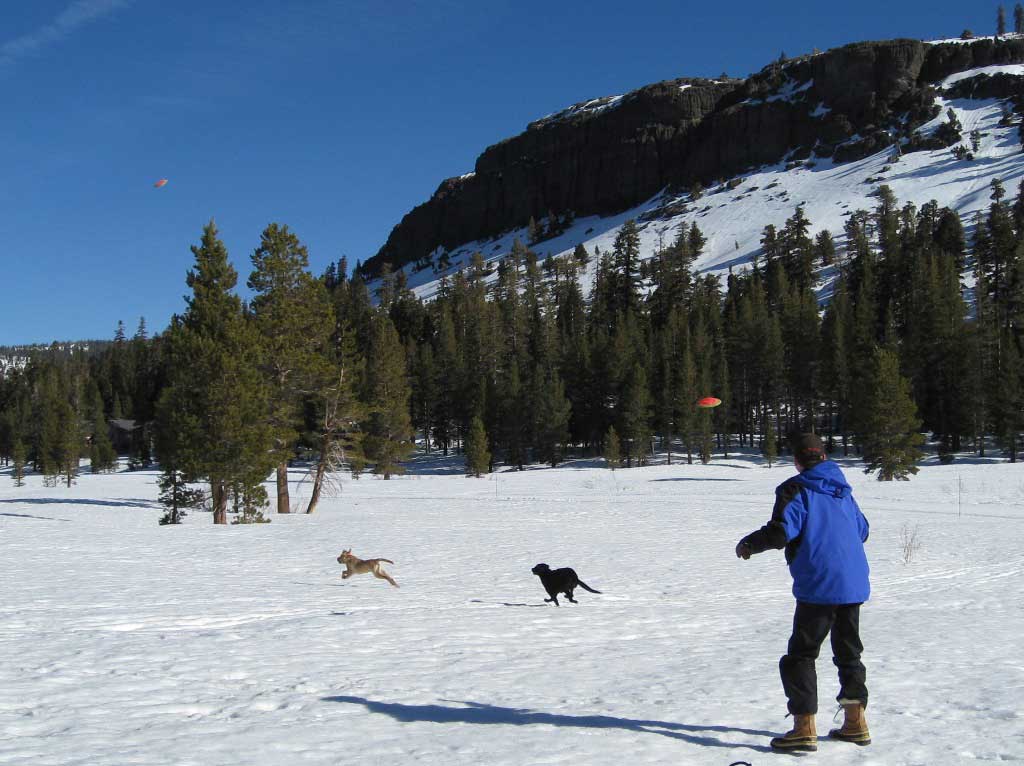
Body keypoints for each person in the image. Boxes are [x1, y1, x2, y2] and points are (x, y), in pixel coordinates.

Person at [735, 432, 871, 753]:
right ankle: (855, 723)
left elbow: (782, 531)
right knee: (848, 653)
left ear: (797, 461)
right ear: (823, 457)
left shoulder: (796, 488)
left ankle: (803, 727)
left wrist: (749, 544)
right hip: (853, 584)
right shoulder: (843, 491)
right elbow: (863, 531)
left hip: (818, 585)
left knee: (801, 655)